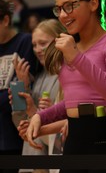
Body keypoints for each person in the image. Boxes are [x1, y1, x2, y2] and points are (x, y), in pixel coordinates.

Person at [25, 0, 106, 173]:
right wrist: (41, 117)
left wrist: (76, 57)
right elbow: (74, 99)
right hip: (75, 137)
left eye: (69, 6)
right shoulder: (67, 45)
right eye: (58, 9)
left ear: (93, 3)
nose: (62, 15)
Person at [10, 19, 66, 173]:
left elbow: (62, 130)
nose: (38, 49)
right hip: (31, 154)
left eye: (43, 43)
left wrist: (41, 113)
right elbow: (21, 123)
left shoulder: (66, 75)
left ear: (58, 41)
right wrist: (22, 89)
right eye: (34, 45)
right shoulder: (40, 76)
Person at [0, 0, 37, 173]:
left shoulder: (25, 42)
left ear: (6, 20)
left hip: (15, 134)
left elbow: (18, 92)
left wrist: (14, 93)